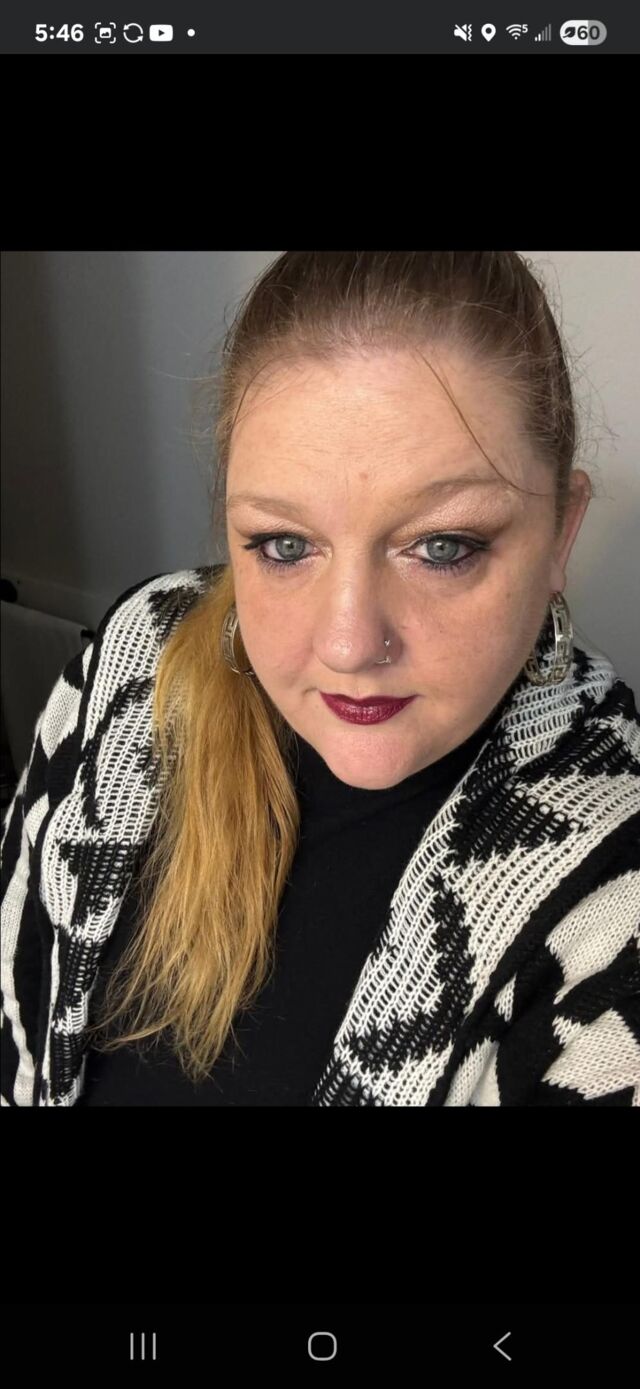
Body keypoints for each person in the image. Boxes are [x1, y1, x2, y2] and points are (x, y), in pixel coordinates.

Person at [2, 250, 639, 1108]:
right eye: (285, 545)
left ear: (561, 533)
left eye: (442, 546)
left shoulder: (615, 903)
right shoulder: (136, 659)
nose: (347, 644)